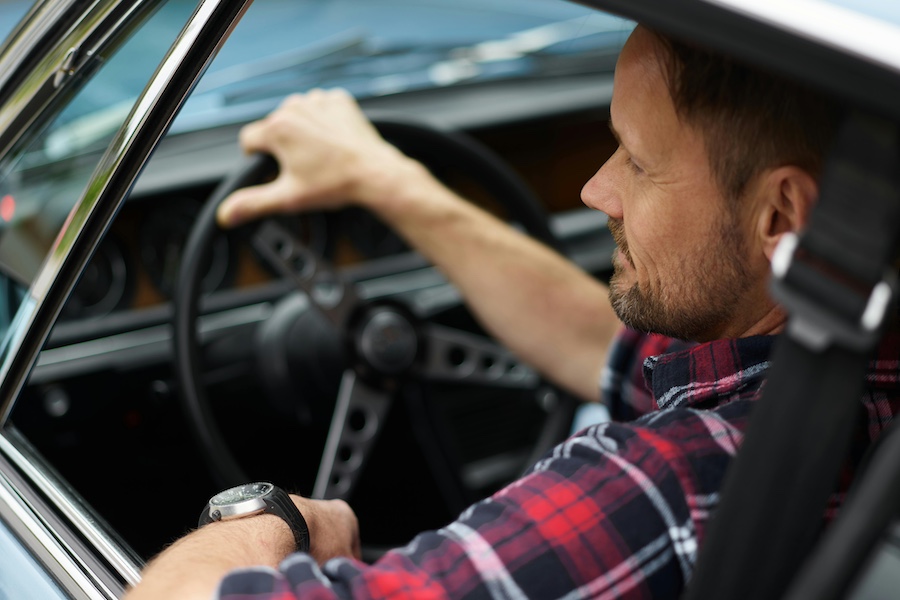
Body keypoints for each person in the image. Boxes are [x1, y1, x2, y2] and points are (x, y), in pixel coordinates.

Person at [125, 23, 900, 599]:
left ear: (781, 217)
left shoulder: (670, 488)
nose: (596, 190)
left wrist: (274, 521)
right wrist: (385, 181)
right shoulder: (839, 374)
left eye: (635, 158)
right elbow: (596, 343)